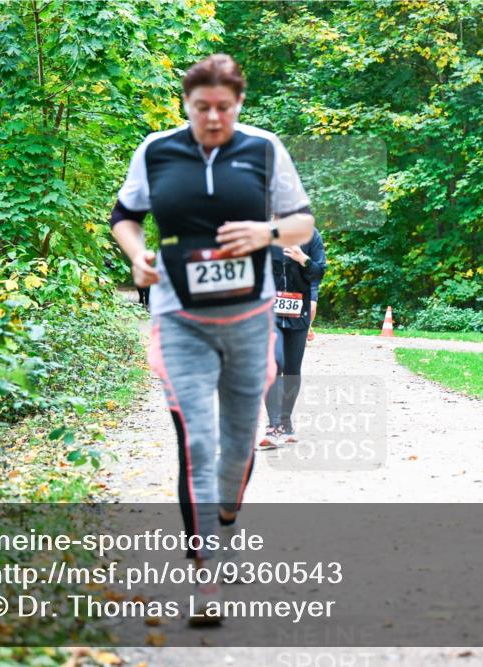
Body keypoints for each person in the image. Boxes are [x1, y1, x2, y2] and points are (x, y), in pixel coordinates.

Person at [108, 54, 314, 625]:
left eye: (225, 107)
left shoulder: (264, 149)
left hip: (249, 318)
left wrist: (265, 231)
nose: (214, 118)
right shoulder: (156, 150)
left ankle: (226, 518)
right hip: (180, 318)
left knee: (236, 444)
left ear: (239, 104)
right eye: (203, 108)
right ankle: (207, 577)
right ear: (186, 104)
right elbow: (124, 215)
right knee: (197, 443)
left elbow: (302, 224)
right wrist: (137, 255)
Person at [261, 228, 326, 448]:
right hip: (269, 312)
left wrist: (303, 259)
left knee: (291, 369)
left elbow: (318, 273)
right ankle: (273, 424)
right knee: (273, 362)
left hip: (299, 311)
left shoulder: (311, 236)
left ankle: (286, 422)